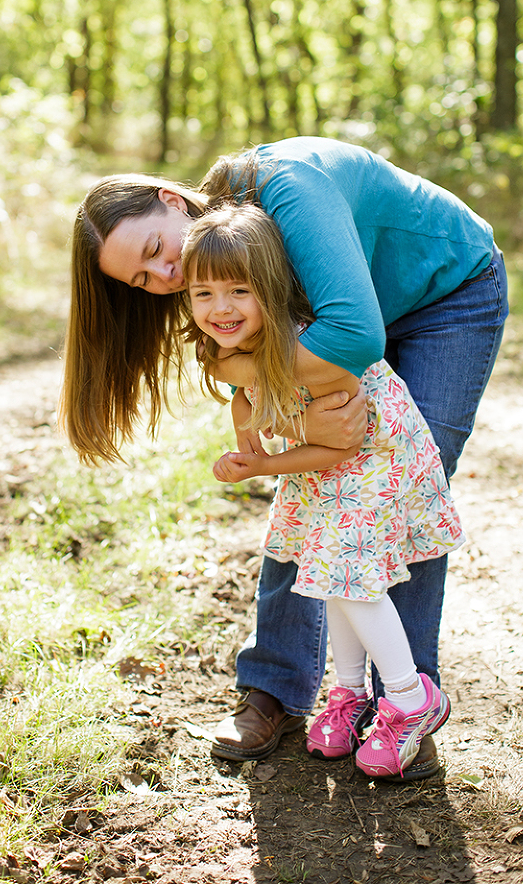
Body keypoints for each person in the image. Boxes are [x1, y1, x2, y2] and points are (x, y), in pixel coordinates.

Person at [59, 136, 509, 779]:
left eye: (158, 250)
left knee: (400, 488)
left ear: (171, 200)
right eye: (144, 279)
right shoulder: (219, 258)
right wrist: (294, 412)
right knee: (316, 489)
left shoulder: (287, 189)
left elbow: (351, 335)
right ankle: (275, 688)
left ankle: (404, 701)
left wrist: (284, 401)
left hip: (445, 294)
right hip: (346, 329)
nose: (168, 277)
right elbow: (228, 357)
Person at [180, 203, 464, 777]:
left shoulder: (317, 346)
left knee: (354, 582)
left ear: (272, 288)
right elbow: (247, 400)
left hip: (377, 463)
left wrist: (261, 467)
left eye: (239, 290)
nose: (221, 309)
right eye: (202, 294)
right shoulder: (238, 350)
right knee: (330, 579)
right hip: (330, 478)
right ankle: (350, 691)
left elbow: (341, 446)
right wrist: (247, 437)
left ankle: (412, 700)